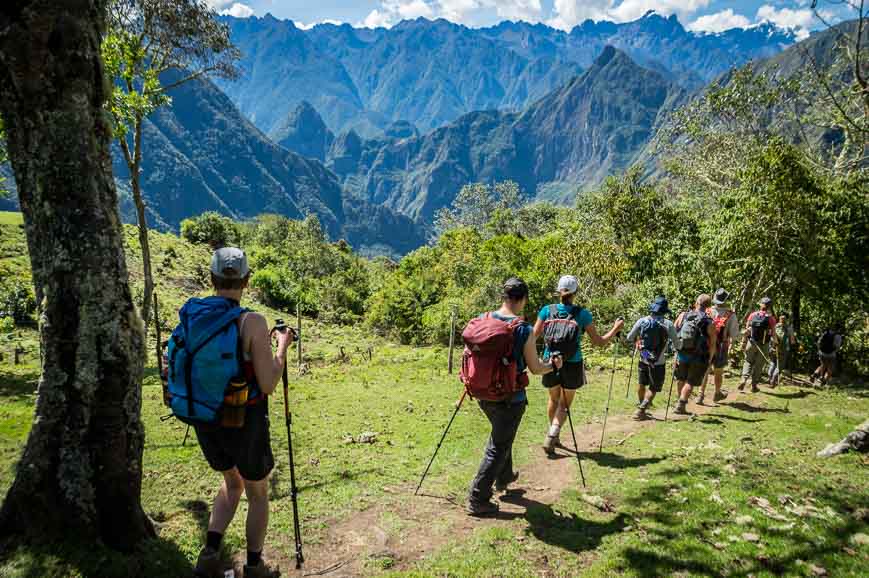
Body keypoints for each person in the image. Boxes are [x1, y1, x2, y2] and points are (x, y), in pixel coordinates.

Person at [193, 248, 293, 578]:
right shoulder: (251, 321)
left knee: (230, 483)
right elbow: (267, 383)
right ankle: (254, 567)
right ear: (246, 281)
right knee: (257, 492)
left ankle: (209, 555)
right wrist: (280, 345)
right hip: (243, 421)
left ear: (212, 279)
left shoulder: (195, 315)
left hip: (205, 417)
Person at [467, 277, 561, 516]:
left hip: (481, 392)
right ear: (523, 299)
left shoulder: (484, 319)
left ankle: (505, 477)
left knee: (501, 435)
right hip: (510, 397)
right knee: (498, 445)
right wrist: (553, 364)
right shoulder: (523, 329)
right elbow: (536, 368)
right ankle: (478, 498)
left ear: (504, 296)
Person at [533, 275, 624, 454]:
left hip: (549, 361)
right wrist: (616, 328)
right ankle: (553, 434)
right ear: (575, 293)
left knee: (553, 399)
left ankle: (553, 434)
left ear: (559, 291)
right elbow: (599, 341)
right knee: (564, 405)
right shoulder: (582, 314)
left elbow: (533, 336)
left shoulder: (546, 310)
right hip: (572, 363)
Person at [625, 296, 679, 420]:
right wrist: (680, 346)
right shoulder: (668, 324)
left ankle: (641, 407)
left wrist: (638, 342)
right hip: (658, 360)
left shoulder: (642, 321)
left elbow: (629, 337)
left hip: (643, 357)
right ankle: (641, 410)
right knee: (654, 387)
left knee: (642, 383)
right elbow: (677, 344)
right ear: (664, 311)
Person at [672, 294, 717, 415]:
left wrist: (675, 349)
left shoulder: (684, 315)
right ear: (709, 306)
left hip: (682, 353)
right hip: (698, 356)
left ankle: (679, 400)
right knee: (690, 381)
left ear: (696, 303)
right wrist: (710, 358)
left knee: (681, 378)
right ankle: (681, 404)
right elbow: (713, 343)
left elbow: (674, 331)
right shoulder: (709, 322)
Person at [699, 288, 741, 405]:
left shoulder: (707, 311)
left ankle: (700, 394)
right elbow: (735, 335)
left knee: (706, 370)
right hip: (721, 346)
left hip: (706, 344)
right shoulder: (730, 315)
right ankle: (717, 393)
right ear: (726, 300)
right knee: (718, 371)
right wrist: (743, 334)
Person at [738, 297, 778, 393]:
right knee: (759, 365)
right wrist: (776, 343)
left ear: (760, 305)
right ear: (769, 307)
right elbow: (773, 333)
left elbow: (747, 330)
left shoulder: (752, 315)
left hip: (751, 342)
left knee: (748, 361)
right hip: (764, 345)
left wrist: (743, 343)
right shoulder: (771, 319)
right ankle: (753, 385)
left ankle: (744, 379)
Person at [768, 312, 796, 387]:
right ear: (786, 319)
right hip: (783, 350)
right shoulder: (789, 328)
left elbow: (769, 335)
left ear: (779, 319)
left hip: (773, 348)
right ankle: (773, 379)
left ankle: (770, 377)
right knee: (779, 366)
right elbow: (793, 341)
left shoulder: (775, 326)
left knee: (772, 363)